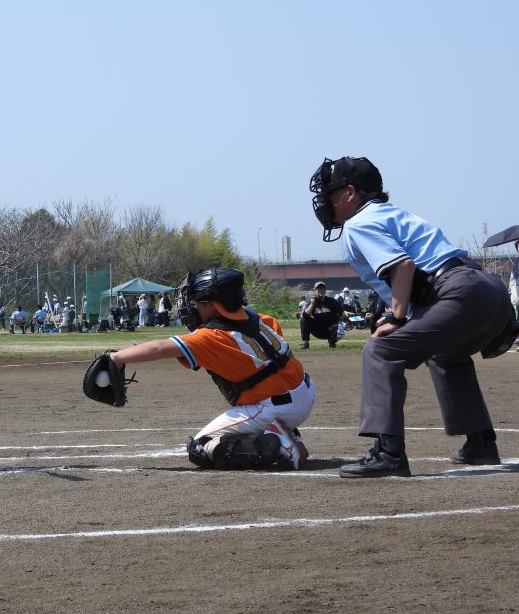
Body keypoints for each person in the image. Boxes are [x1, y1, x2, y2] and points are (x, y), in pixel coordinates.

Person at [309, 156, 516, 477]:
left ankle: (388, 452)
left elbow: (402, 266)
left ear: (350, 193)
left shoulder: (358, 222)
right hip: (488, 291)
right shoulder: (392, 213)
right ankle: (480, 444)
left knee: (381, 350)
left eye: (331, 193)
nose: (326, 201)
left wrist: (396, 317)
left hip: (457, 292)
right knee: (446, 355)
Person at [107, 267, 313, 470]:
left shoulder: (211, 336)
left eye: (197, 302)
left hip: (275, 408)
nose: (193, 307)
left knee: (201, 447)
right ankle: (286, 433)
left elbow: (160, 348)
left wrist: (117, 357)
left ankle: (281, 444)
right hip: (306, 391)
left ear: (213, 305)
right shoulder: (262, 319)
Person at [299, 282, 346, 349]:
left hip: (331, 329)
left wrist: (347, 314)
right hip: (319, 330)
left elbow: (341, 312)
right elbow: (305, 315)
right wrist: (312, 304)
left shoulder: (331, 301)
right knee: (304, 320)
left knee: (340, 331)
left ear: (325, 290)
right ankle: (305, 342)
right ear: (315, 291)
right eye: (319, 289)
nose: (321, 290)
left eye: (323, 289)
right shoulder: (312, 302)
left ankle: (332, 342)